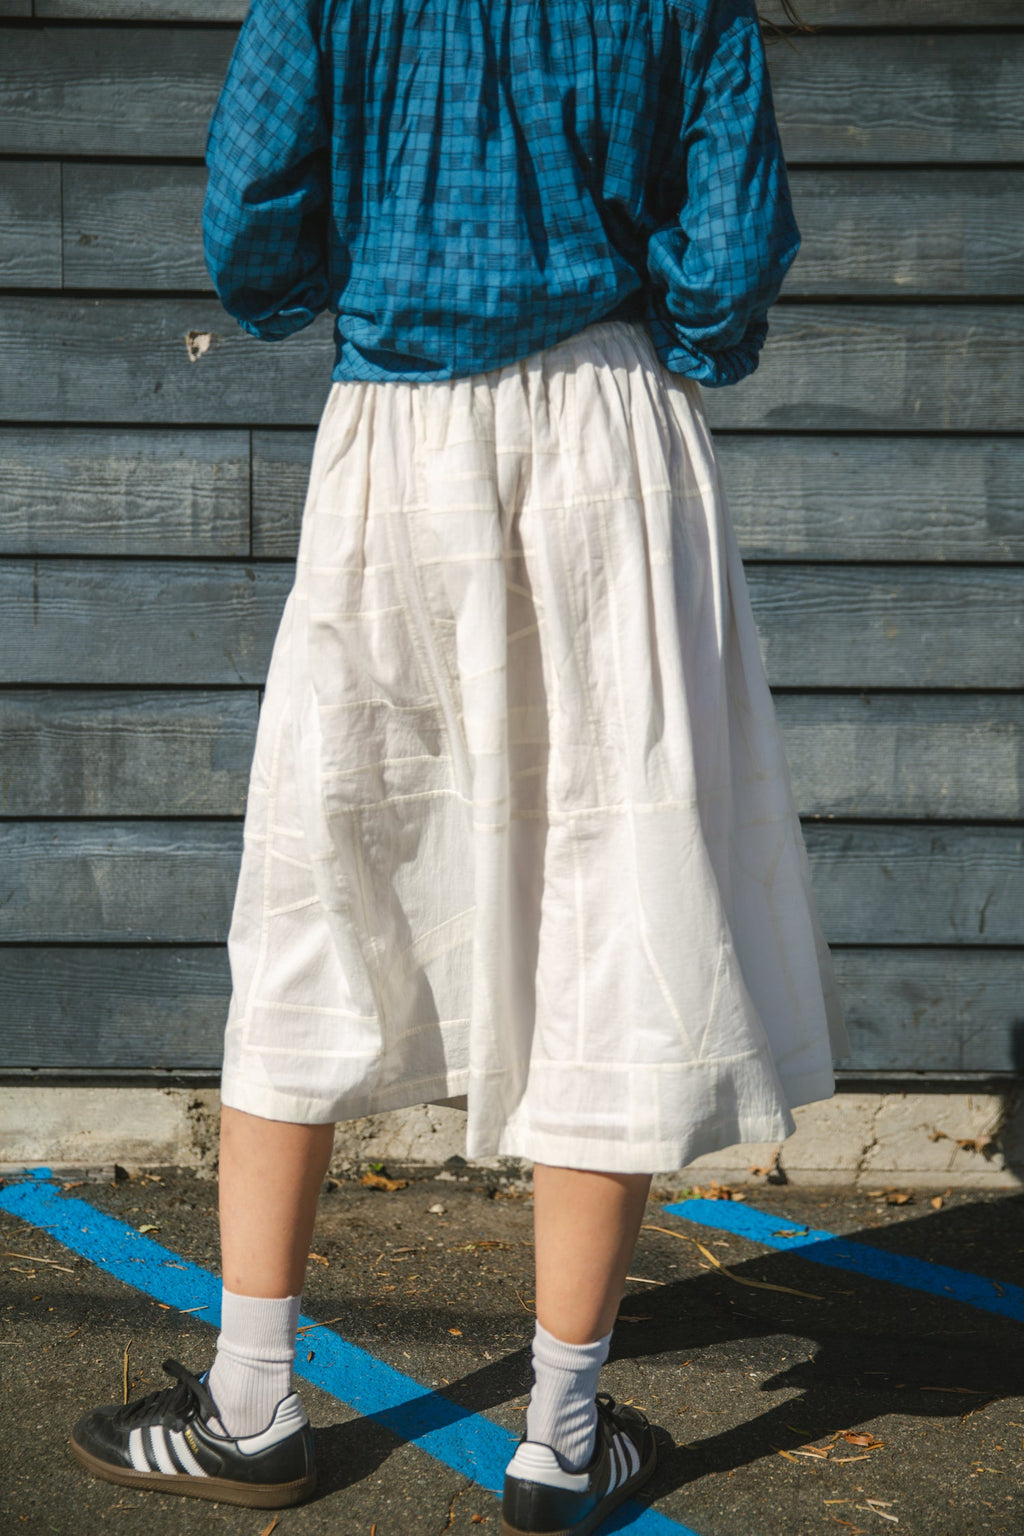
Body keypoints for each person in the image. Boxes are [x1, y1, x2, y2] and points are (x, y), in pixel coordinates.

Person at [70, 0, 849, 1530]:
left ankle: (249, 1405)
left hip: (398, 438)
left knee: (321, 877)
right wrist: (669, 336)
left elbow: (252, 227)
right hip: (617, 449)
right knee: (616, 895)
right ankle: (560, 1434)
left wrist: (354, 287)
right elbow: (729, 246)